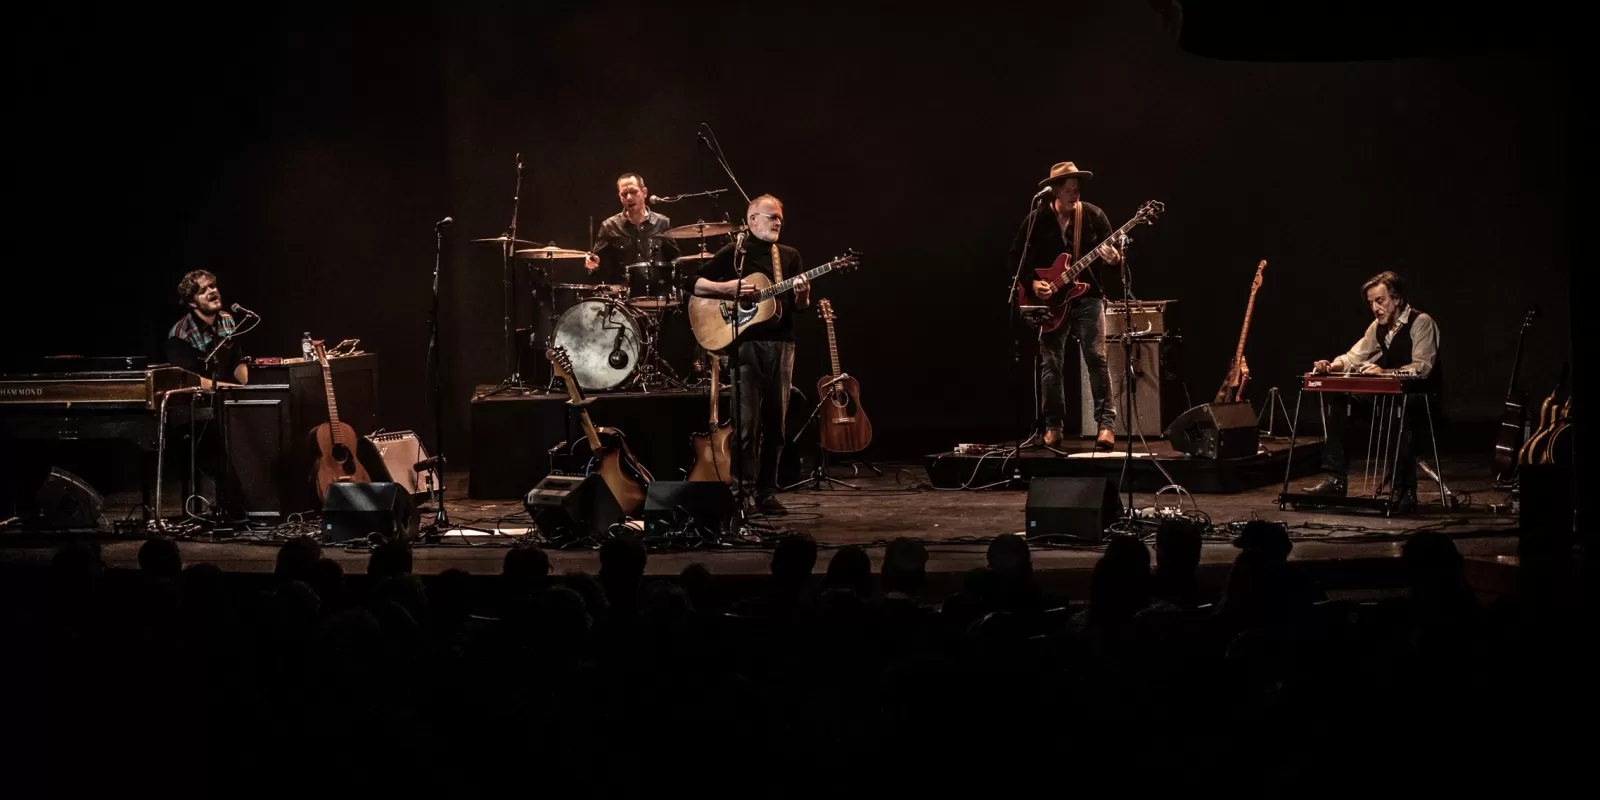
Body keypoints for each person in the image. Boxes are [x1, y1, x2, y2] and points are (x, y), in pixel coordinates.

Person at [686, 194, 809, 516]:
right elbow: (692, 282)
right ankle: (742, 494)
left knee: (776, 425)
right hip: (746, 346)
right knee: (746, 425)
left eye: (780, 217)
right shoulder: (735, 254)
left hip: (782, 345)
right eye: (771, 217)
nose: (778, 222)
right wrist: (728, 289)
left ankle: (767, 491)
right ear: (752, 220)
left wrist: (803, 295)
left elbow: (797, 307)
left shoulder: (789, 255)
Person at [1304, 271, 1440, 512]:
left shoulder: (1421, 322)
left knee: (1400, 412)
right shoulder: (1378, 327)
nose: (1375, 308)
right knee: (1339, 402)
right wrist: (1330, 365)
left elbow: (1422, 368)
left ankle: (1404, 489)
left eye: (1380, 301)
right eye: (1371, 303)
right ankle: (1336, 479)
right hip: (1387, 401)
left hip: (1420, 401)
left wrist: (1385, 373)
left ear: (1396, 299)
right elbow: (1353, 357)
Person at [1009, 161, 1123, 451]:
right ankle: (1053, 427)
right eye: (1069, 189)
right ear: (1055, 192)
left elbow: (1115, 257)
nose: (1075, 194)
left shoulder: (1094, 216)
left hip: (1088, 298)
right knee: (1051, 364)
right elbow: (1016, 257)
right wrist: (1033, 283)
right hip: (1050, 302)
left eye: (1077, 189)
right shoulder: (1036, 220)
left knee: (1096, 358)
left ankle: (1106, 426)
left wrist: (1114, 259)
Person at [584, 173, 679, 286]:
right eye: (624, 194)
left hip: (657, 292)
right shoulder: (610, 225)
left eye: (633, 192)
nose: (629, 198)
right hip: (623, 294)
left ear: (644, 192)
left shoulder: (662, 222)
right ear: (620, 197)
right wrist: (592, 263)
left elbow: (675, 259)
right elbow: (596, 264)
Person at [165, 270, 248, 388]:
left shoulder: (227, 320)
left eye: (212, 286)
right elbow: (190, 381)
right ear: (192, 302)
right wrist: (237, 389)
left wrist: (248, 387)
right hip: (197, 402)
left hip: (228, 396)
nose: (212, 291)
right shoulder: (179, 335)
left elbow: (238, 361)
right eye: (203, 291)